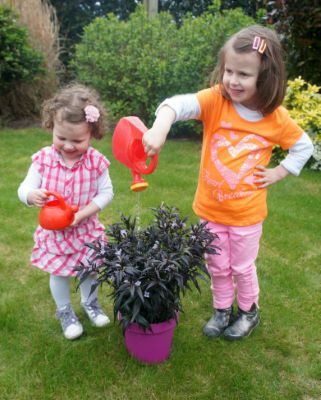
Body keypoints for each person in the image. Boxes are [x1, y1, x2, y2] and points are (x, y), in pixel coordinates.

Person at [142, 25, 314, 340]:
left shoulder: (275, 118)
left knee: (241, 268)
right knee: (217, 266)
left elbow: (304, 147)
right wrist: (160, 127)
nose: (233, 80)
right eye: (228, 71)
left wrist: (280, 172)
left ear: (266, 76)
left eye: (244, 75)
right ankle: (222, 310)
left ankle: (249, 312)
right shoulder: (215, 101)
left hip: (247, 215)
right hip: (210, 210)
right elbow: (175, 104)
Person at [18, 84, 114, 340]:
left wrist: (83, 214)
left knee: (90, 270)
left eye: (77, 140)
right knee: (59, 274)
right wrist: (30, 194)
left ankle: (90, 303)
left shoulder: (96, 162)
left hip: (86, 230)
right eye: (61, 138)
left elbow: (106, 193)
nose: (68, 146)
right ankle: (65, 312)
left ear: (92, 133)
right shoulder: (43, 160)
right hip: (56, 233)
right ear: (52, 127)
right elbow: (24, 187)